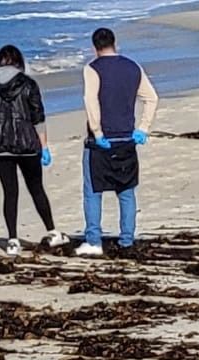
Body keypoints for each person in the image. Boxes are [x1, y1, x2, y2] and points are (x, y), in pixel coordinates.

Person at [78, 27, 159, 257]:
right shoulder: (133, 66)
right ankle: (127, 239)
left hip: (101, 141)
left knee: (93, 191)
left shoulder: (92, 69)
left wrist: (97, 131)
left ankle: (93, 240)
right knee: (126, 191)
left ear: (94, 48)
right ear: (115, 43)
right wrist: (143, 128)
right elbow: (151, 98)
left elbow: (91, 101)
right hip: (126, 138)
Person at [0, 45, 59, 256]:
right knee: (36, 188)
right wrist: (44, 146)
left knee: (10, 192)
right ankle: (52, 231)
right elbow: (38, 118)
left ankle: (13, 239)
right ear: (19, 63)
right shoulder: (28, 84)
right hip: (27, 144)